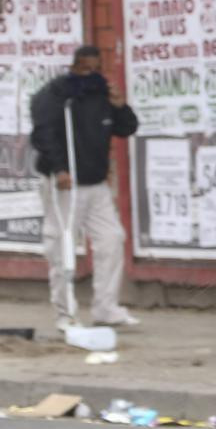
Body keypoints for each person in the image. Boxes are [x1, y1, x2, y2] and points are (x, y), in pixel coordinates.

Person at [30, 45, 139, 329]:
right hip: (66, 183)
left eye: (97, 68)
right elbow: (43, 133)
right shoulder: (58, 93)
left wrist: (120, 105)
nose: (92, 74)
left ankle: (106, 307)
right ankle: (65, 312)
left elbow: (126, 128)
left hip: (95, 181)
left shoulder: (101, 93)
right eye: (86, 68)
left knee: (112, 238)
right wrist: (58, 168)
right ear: (75, 66)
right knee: (61, 245)